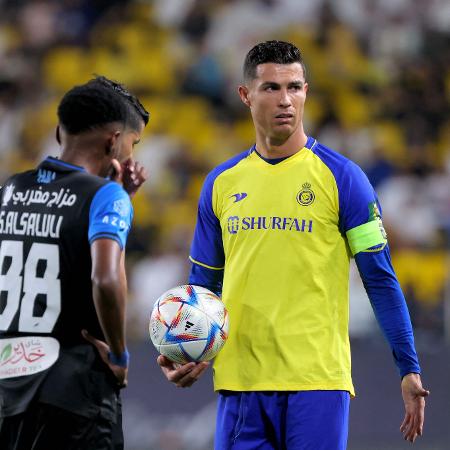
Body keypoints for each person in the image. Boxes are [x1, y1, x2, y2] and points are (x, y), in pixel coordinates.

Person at [157, 40, 429, 449]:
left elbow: (381, 280)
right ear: (245, 95)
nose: (286, 100)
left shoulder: (345, 178)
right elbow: (202, 288)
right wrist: (186, 354)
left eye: (295, 87)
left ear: (306, 92)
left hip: (317, 382)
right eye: (271, 88)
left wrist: (408, 367)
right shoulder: (220, 183)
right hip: (241, 383)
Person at [0, 75, 149, 449]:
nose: (133, 154)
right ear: (114, 141)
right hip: (74, 391)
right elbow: (106, 279)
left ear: (57, 132)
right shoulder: (105, 196)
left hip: (8, 392)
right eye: (134, 142)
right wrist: (118, 354)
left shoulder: (11, 188)